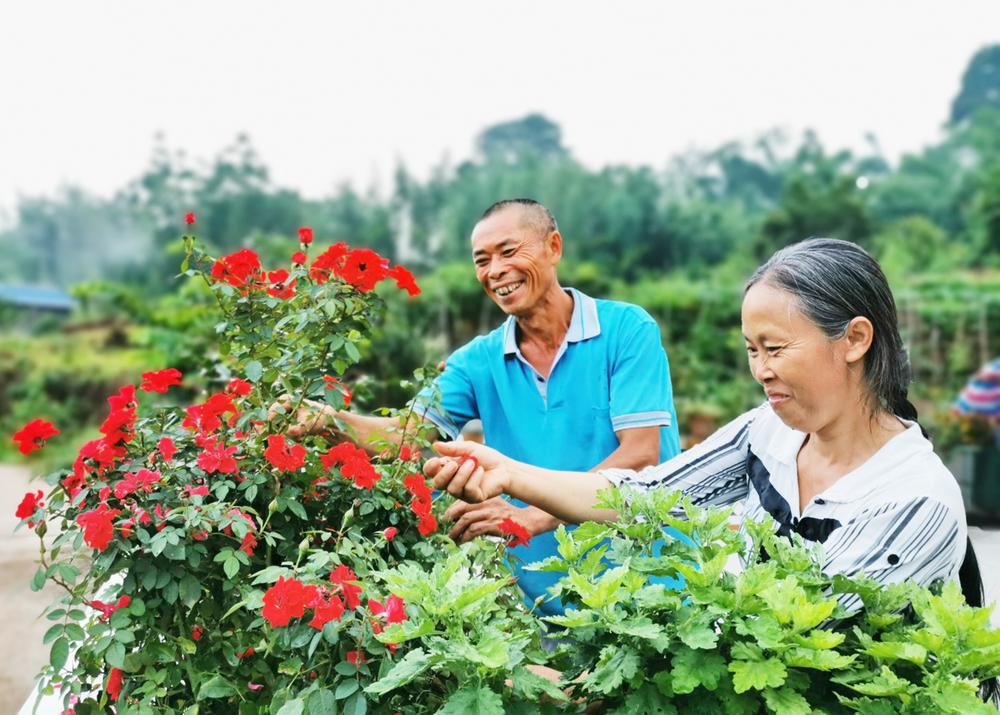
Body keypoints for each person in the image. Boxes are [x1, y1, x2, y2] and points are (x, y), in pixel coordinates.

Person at [425, 238, 988, 615]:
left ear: (855, 340)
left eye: (775, 348)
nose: (760, 371)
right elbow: (646, 496)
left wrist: (582, 689)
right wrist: (509, 473)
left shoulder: (913, 498)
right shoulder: (770, 433)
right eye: (751, 350)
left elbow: (796, 638)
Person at [288, 198, 682, 615]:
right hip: (551, 606)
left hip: (650, 587)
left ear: (553, 247)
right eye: (482, 260)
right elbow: (407, 434)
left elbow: (641, 456)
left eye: (508, 252)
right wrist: (329, 420)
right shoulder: (477, 361)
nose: (495, 271)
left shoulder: (626, 330)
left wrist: (533, 516)